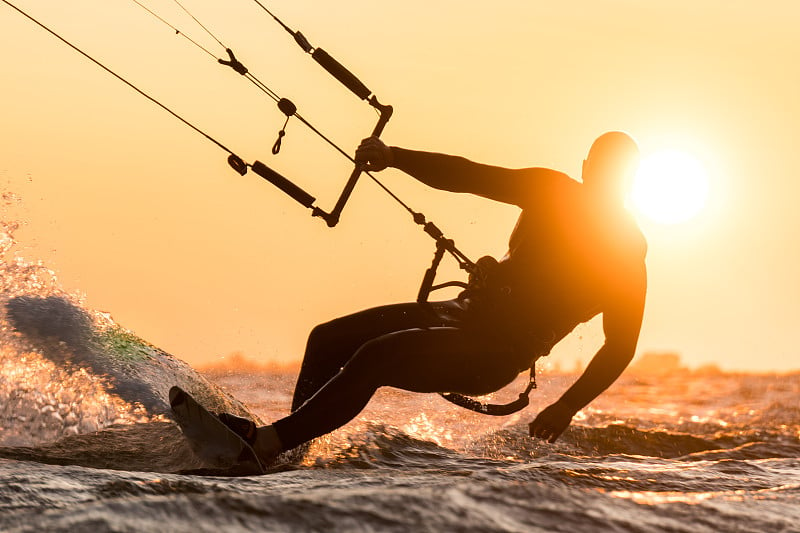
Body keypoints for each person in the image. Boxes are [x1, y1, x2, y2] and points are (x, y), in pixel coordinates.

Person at [220, 131, 647, 463]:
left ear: (628, 181)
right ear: (586, 166)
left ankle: (270, 442)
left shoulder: (625, 251)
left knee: (378, 355)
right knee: (327, 337)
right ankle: (288, 451)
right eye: (599, 168)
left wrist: (568, 405)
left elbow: (621, 344)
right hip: (464, 313)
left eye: (615, 173)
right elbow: (470, 174)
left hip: (497, 353)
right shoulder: (553, 191)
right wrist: (396, 157)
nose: (601, 179)